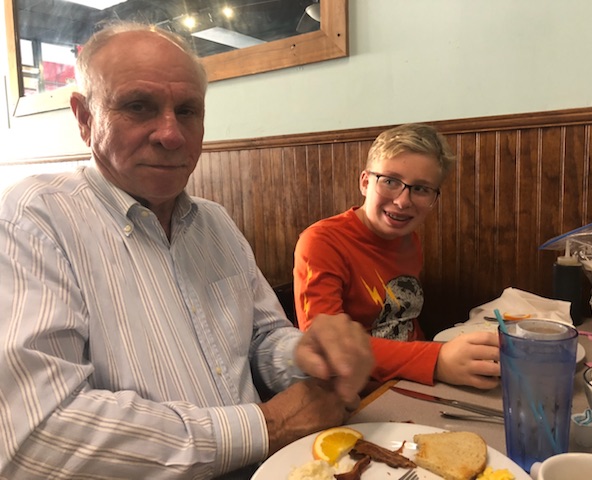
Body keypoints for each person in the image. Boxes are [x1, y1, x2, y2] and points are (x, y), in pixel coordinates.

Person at [0, 23, 374, 479]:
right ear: (84, 118)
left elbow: (259, 340)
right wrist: (268, 425)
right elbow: (38, 436)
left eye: (187, 110)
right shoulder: (32, 220)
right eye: (138, 106)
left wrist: (305, 354)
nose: (171, 134)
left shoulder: (215, 222)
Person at [294, 123, 500, 391]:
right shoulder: (323, 241)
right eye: (390, 181)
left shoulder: (409, 239)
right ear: (365, 182)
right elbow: (326, 347)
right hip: (357, 392)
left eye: (421, 189)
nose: (403, 201)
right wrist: (437, 360)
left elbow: (403, 325)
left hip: (415, 378)